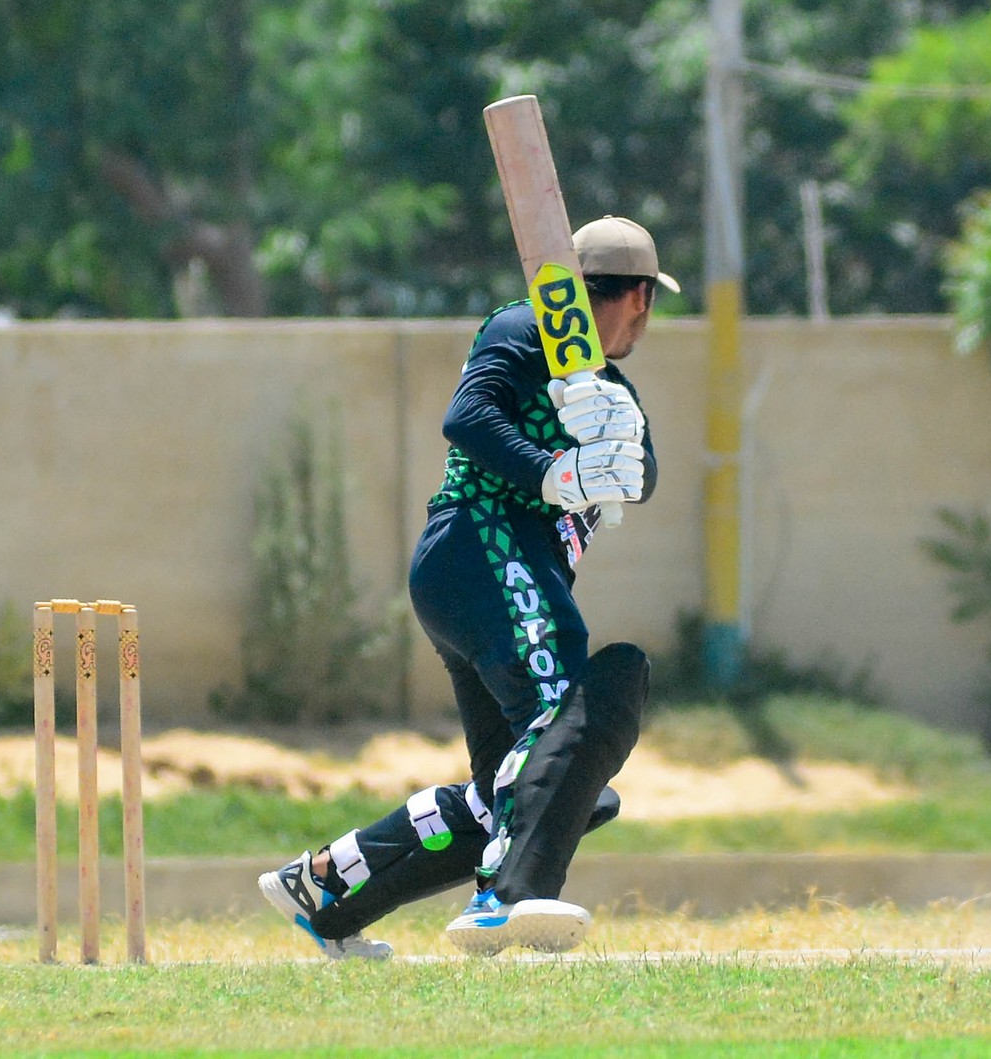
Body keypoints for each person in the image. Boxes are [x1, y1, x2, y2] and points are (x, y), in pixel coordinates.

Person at [258, 215, 678, 958]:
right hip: (488, 545)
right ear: (641, 297)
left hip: (486, 573)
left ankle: (329, 887)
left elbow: (643, 477)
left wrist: (622, 443)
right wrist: (552, 473)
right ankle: (503, 900)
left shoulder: (608, 389)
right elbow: (468, 416)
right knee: (566, 731)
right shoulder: (523, 328)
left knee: (529, 792)